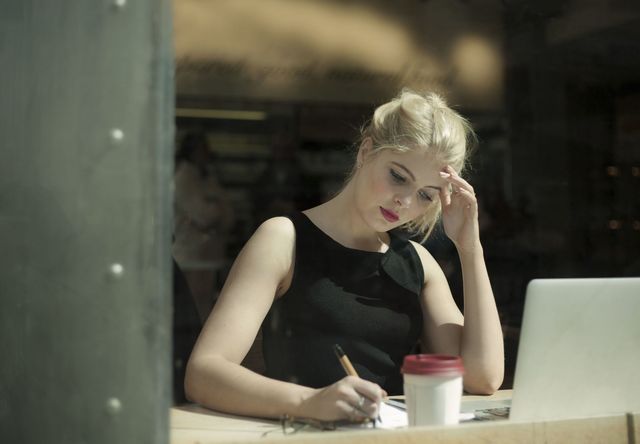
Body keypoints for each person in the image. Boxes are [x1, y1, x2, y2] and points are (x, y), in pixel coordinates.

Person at [184, 90, 504, 422]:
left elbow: (483, 378)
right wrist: (308, 403)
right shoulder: (283, 239)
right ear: (366, 151)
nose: (405, 202)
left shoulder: (417, 262)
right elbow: (204, 373)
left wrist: (471, 249)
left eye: (426, 194)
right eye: (398, 177)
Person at [172, 131, 235, 322]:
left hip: (208, 256)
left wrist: (218, 208)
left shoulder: (207, 178)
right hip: (191, 256)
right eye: (202, 150)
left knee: (204, 307)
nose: (207, 154)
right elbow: (205, 216)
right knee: (194, 309)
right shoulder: (183, 178)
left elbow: (228, 217)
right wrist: (218, 208)